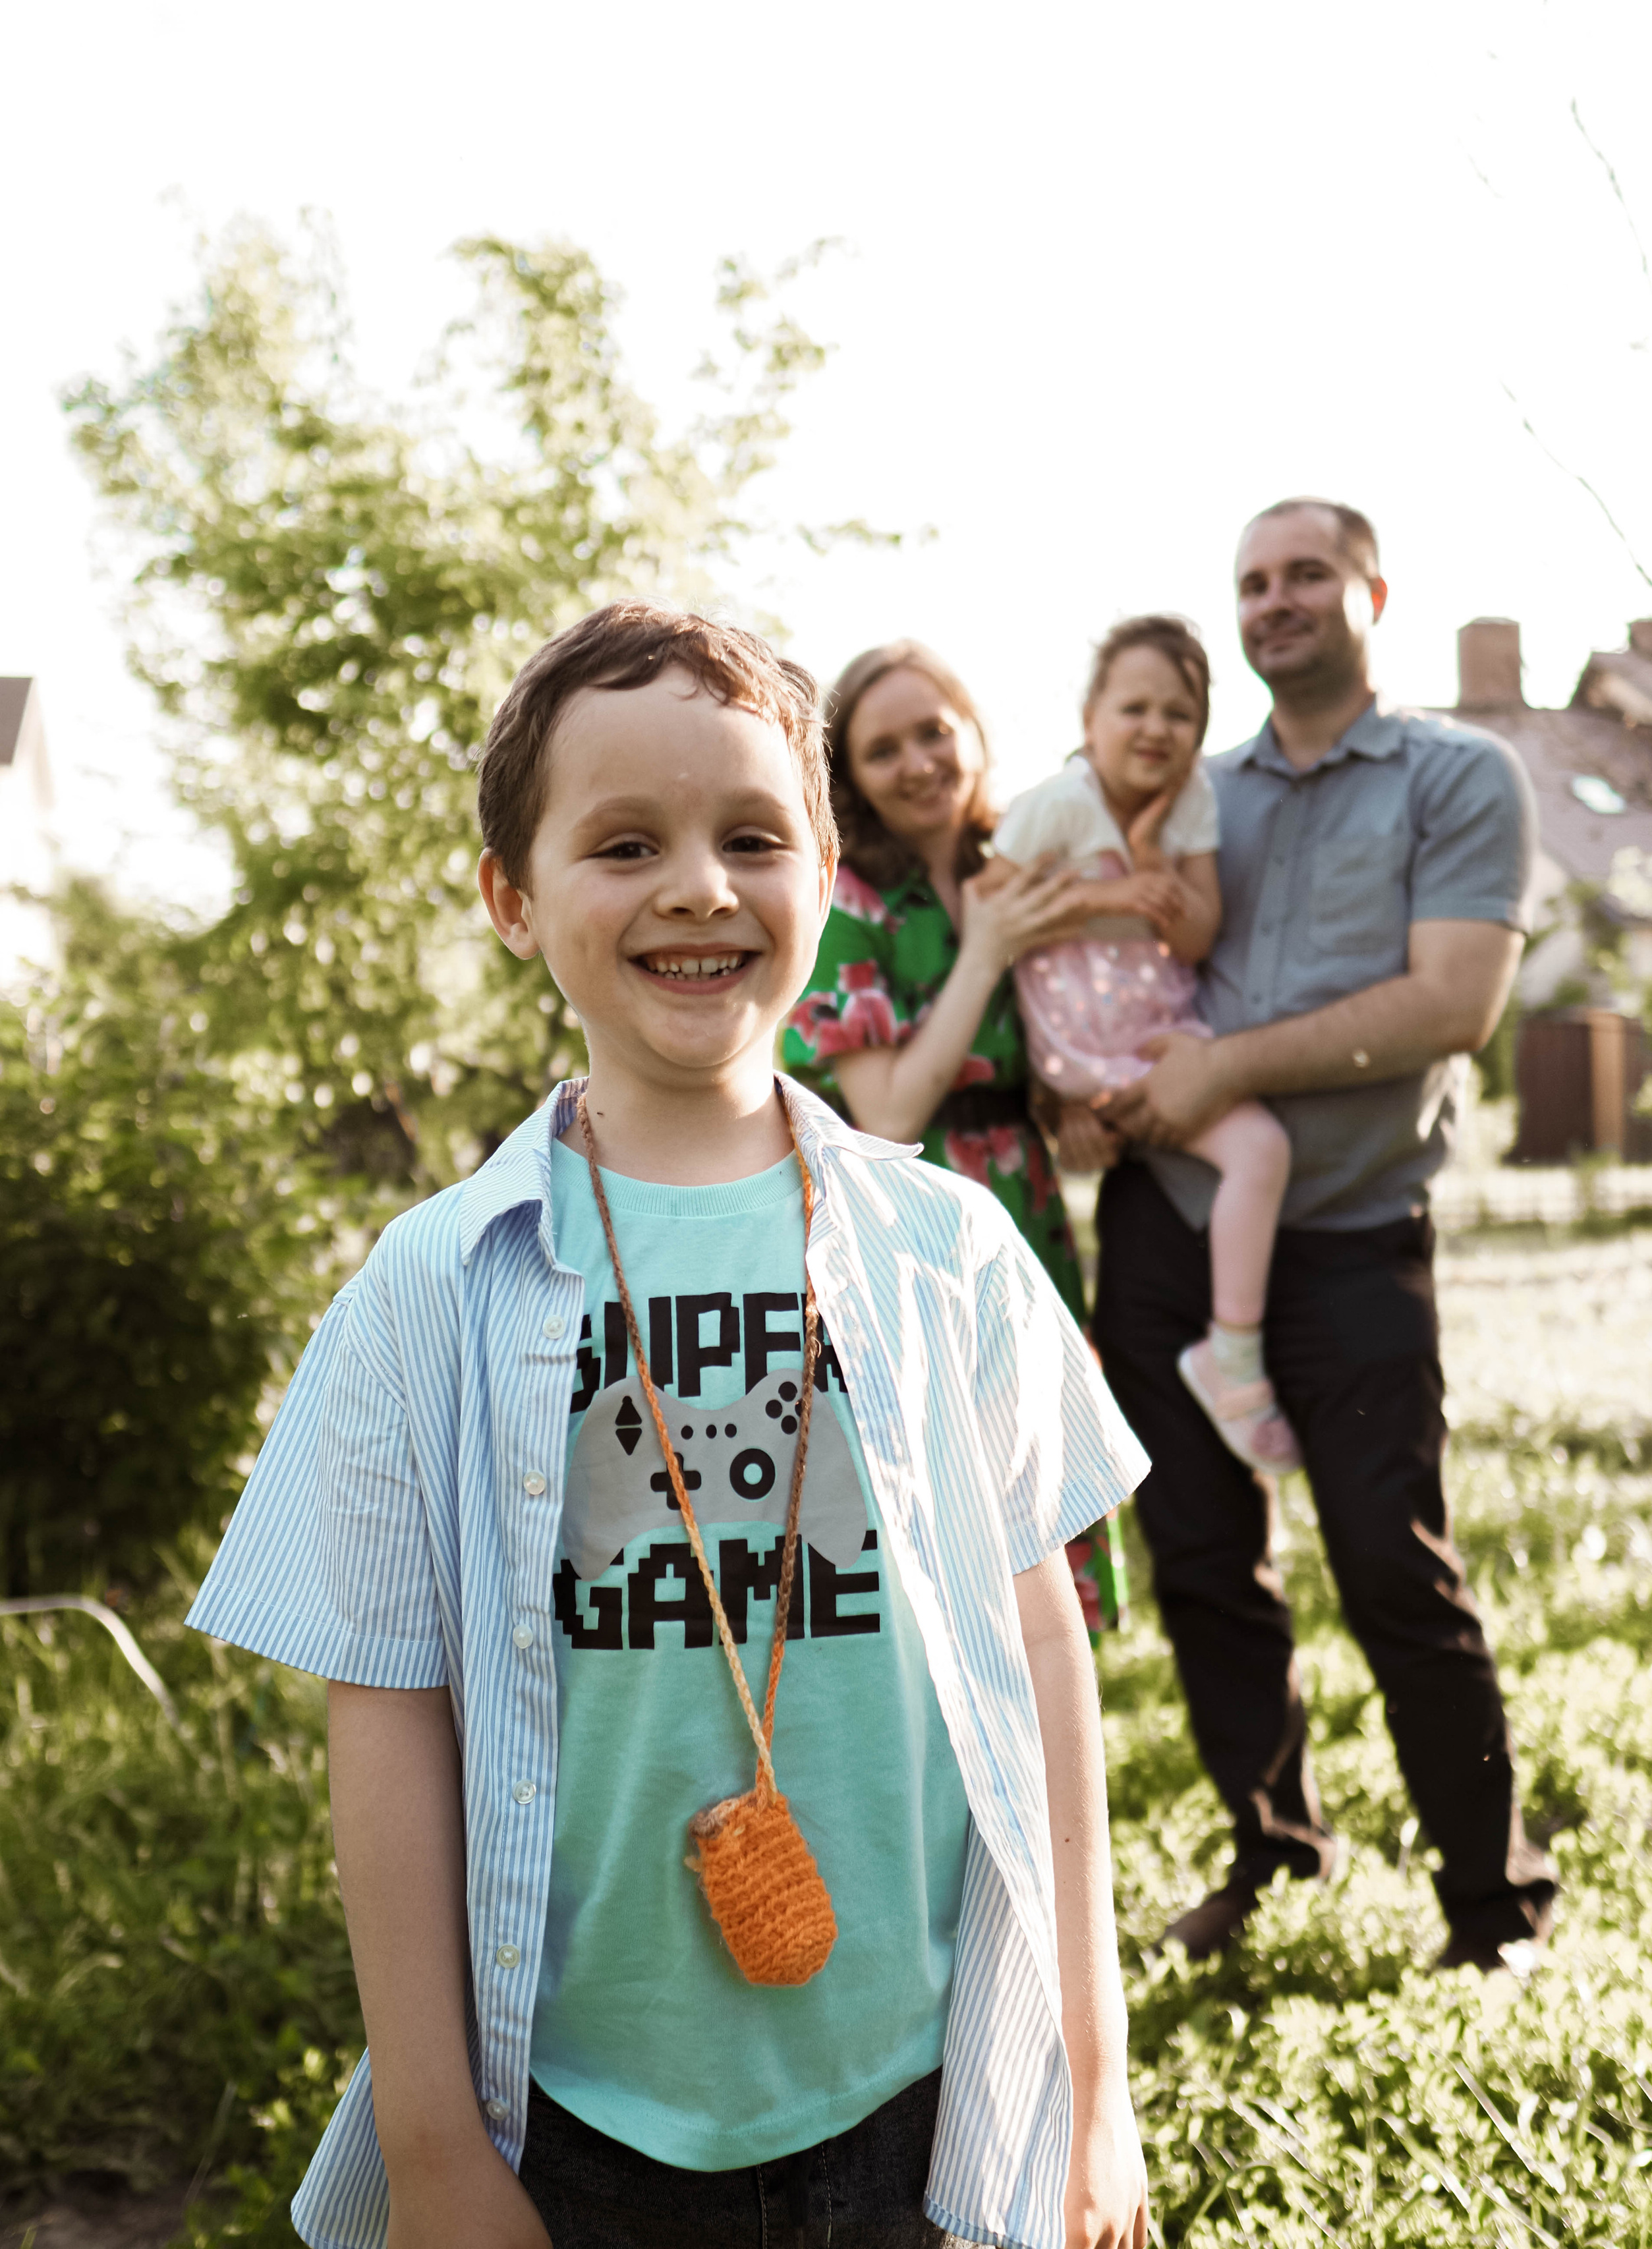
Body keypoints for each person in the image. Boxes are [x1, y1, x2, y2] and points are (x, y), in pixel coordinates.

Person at [185, 602, 1152, 2249]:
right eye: (622, 843)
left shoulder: (949, 1252)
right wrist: (431, 2149)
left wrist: (1095, 2076)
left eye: (751, 836)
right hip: (572, 2127)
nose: (699, 887)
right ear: (513, 899)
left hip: (919, 2098)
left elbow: (1041, 1653)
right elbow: (390, 1712)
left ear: (823, 873)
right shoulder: (429, 1287)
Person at [1087, 499, 1556, 1974]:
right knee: (1202, 1561)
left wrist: (1228, 1067)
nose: (1272, 600)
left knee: (1391, 1570)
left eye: (1303, 575)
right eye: (1249, 582)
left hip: (1351, 1233)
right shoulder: (1183, 782)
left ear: (1370, 591)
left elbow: (1452, 1005)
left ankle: (1493, 1909)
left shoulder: (1456, 777)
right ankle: (1271, 1853)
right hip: (1168, 1222)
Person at [783, 641, 1131, 1636]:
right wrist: (984, 952)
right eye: (884, 748)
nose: (920, 760)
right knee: (939, 1506)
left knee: (1034, 1481)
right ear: (849, 775)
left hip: (1024, 1211)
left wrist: (1070, 1097)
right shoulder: (846, 903)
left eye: (935, 729)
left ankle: (1049, 1749)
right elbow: (885, 1111)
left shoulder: (1019, 867)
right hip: (905, 1216)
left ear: (975, 732)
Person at [994, 617, 1297, 1475]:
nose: (1156, 728)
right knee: (1253, 1148)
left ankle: (1230, 1348)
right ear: (1091, 717)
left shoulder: (1192, 799)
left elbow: (1197, 938)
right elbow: (990, 905)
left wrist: (1153, 850)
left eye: (1180, 713)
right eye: (1134, 706)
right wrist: (1110, 891)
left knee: (1261, 1148)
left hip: (1163, 1041)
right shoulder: (1057, 802)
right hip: (1080, 1047)